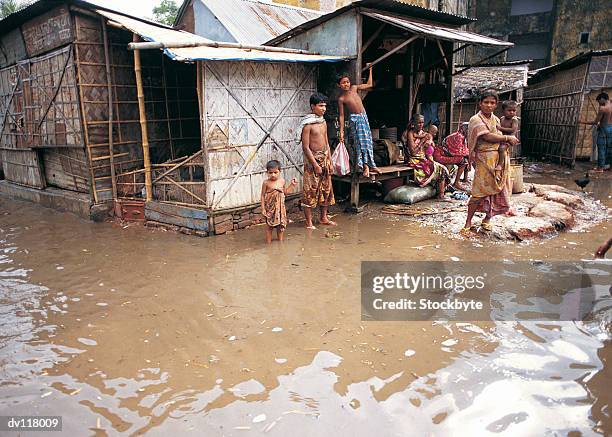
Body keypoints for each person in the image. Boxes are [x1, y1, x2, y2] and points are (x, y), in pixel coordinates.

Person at [461, 90, 519, 235]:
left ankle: (487, 219)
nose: (489, 105)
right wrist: (507, 139)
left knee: (497, 190)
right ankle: (468, 222)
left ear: (496, 104)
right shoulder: (476, 119)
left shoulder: (497, 120)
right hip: (483, 158)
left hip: (499, 157)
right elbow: (486, 136)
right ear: (480, 103)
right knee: (479, 191)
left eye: (492, 103)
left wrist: (505, 145)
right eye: (486, 102)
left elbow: (500, 134)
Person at [300, 93, 336, 229]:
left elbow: (326, 142)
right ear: (312, 106)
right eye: (321, 106)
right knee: (310, 191)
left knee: (326, 189)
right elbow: (305, 147)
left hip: (325, 159)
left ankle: (323, 217)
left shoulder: (323, 122)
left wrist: (330, 161)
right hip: (312, 161)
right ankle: (308, 222)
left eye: (325, 106)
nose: (324, 108)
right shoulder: (307, 125)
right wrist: (315, 165)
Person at [337, 65, 381, 178]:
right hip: (355, 120)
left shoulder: (354, 88)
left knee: (368, 141)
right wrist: (341, 131)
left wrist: (370, 69)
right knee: (360, 143)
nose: (346, 84)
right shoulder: (341, 99)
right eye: (343, 83)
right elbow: (341, 116)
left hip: (363, 117)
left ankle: (372, 165)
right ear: (339, 85)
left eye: (347, 82)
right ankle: (365, 167)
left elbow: (369, 84)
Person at [403, 114, 450, 199]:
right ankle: (441, 195)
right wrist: (422, 142)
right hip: (415, 160)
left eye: (422, 122)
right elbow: (413, 152)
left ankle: (441, 194)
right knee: (437, 168)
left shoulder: (423, 133)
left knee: (442, 168)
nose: (421, 125)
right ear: (413, 123)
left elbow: (429, 147)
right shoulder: (410, 133)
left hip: (423, 159)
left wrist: (429, 143)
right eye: (418, 123)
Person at [261, 160, 297, 243]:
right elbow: (262, 195)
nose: (273, 175)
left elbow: (285, 192)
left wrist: (292, 185)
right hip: (270, 208)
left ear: (280, 171)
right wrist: (263, 208)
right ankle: (268, 244)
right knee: (269, 226)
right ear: (267, 172)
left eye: (275, 172)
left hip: (280, 209)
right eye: (270, 173)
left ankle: (280, 242)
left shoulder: (282, 181)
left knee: (280, 226)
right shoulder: (266, 183)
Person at [580, 92, 612, 172]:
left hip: (604, 128)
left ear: (602, 99)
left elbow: (595, 122)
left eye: (599, 101)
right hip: (611, 128)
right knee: (610, 148)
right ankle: (610, 167)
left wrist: (582, 122)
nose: (599, 103)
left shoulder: (603, 109)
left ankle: (600, 168)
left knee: (601, 148)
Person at [496, 100, 520, 181]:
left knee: (501, 148)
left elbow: (512, 129)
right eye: (509, 110)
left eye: (514, 110)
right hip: (503, 137)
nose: (512, 112)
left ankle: (499, 164)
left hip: (510, 138)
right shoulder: (502, 118)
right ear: (503, 111)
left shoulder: (514, 120)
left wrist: (500, 128)